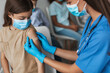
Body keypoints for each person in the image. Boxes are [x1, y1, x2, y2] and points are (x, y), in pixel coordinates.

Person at [24, 0, 110, 73]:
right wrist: (52, 49)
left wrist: (40, 56)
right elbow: (82, 55)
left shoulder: (102, 33)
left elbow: (74, 70)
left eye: (69, 2)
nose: (68, 6)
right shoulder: (91, 21)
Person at [0, 0, 44, 73]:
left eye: (29, 17)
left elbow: (40, 59)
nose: (26, 21)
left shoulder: (30, 32)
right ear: (10, 14)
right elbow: (3, 57)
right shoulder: (2, 33)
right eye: (22, 18)